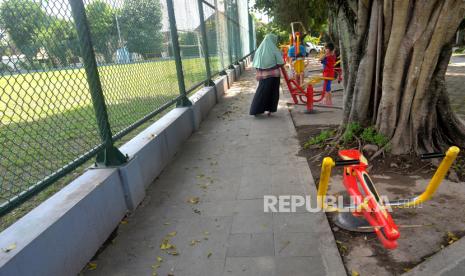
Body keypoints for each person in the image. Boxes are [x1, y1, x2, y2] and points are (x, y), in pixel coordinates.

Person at [250, 34, 284, 116]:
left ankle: (256, 110)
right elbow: (281, 62)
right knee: (273, 93)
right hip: (274, 75)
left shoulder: (259, 50)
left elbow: (255, 64)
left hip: (262, 75)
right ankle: (270, 110)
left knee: (261, 92)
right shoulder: (274, 49)